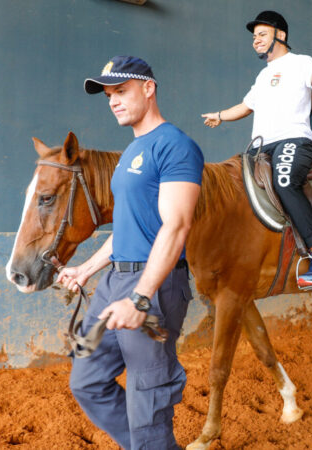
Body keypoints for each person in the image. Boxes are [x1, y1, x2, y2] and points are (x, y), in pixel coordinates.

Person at [57, 55, 204, 449]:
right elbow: (126, 229)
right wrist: (86, 269)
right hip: (112, 282)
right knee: (85, 378)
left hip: (153, 286)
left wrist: (140, 298)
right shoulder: (130, 156)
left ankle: (150, 441)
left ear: (148, 88)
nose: (113, 101)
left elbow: (177, 226)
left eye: (121, 91)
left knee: (148, 395)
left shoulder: (176, 146)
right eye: (109, 95)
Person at [201, 10, 312, 288]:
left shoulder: (299, 63)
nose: (256, 41)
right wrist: (220, 114)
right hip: (259, 150)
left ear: (281, 35)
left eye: (262, 34)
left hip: (293, 142)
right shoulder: (262, 77)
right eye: (254, 37)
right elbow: (245, 106)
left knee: (284, 182)